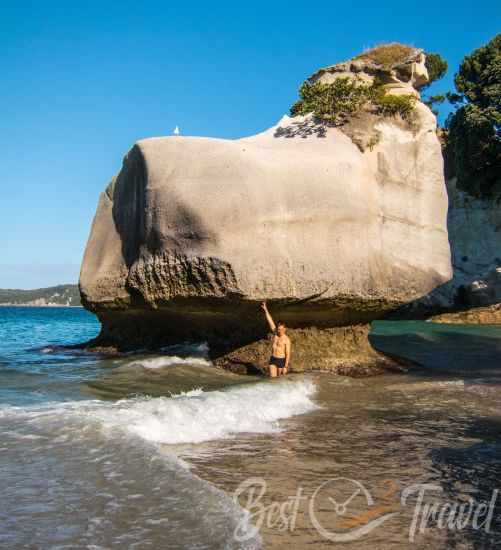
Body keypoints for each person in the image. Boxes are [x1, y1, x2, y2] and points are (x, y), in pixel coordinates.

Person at [261, 301, 291, 377]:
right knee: (272, 379)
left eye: (281, 329)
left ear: (284, 329)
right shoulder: (275, 333)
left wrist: (285, 367)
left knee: (279, 380)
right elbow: (270, 321)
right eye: (278, 329)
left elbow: (288, 354)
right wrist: (265, 309)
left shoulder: (286, 340)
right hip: (273, 358)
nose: (279, 331)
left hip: (281, 361)